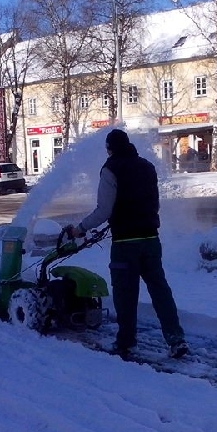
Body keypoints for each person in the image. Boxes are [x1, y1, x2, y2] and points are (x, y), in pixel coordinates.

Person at [68, 128, 189, 359]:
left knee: (125, 294)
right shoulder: (147, 167)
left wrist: (80, 228)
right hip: (151, 240)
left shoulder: (110, 169)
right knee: (160, 290)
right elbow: (152, 203)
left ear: (110, 148)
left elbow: (104, 210)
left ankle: (126, 343)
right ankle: (176, 339)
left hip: (125, 245)